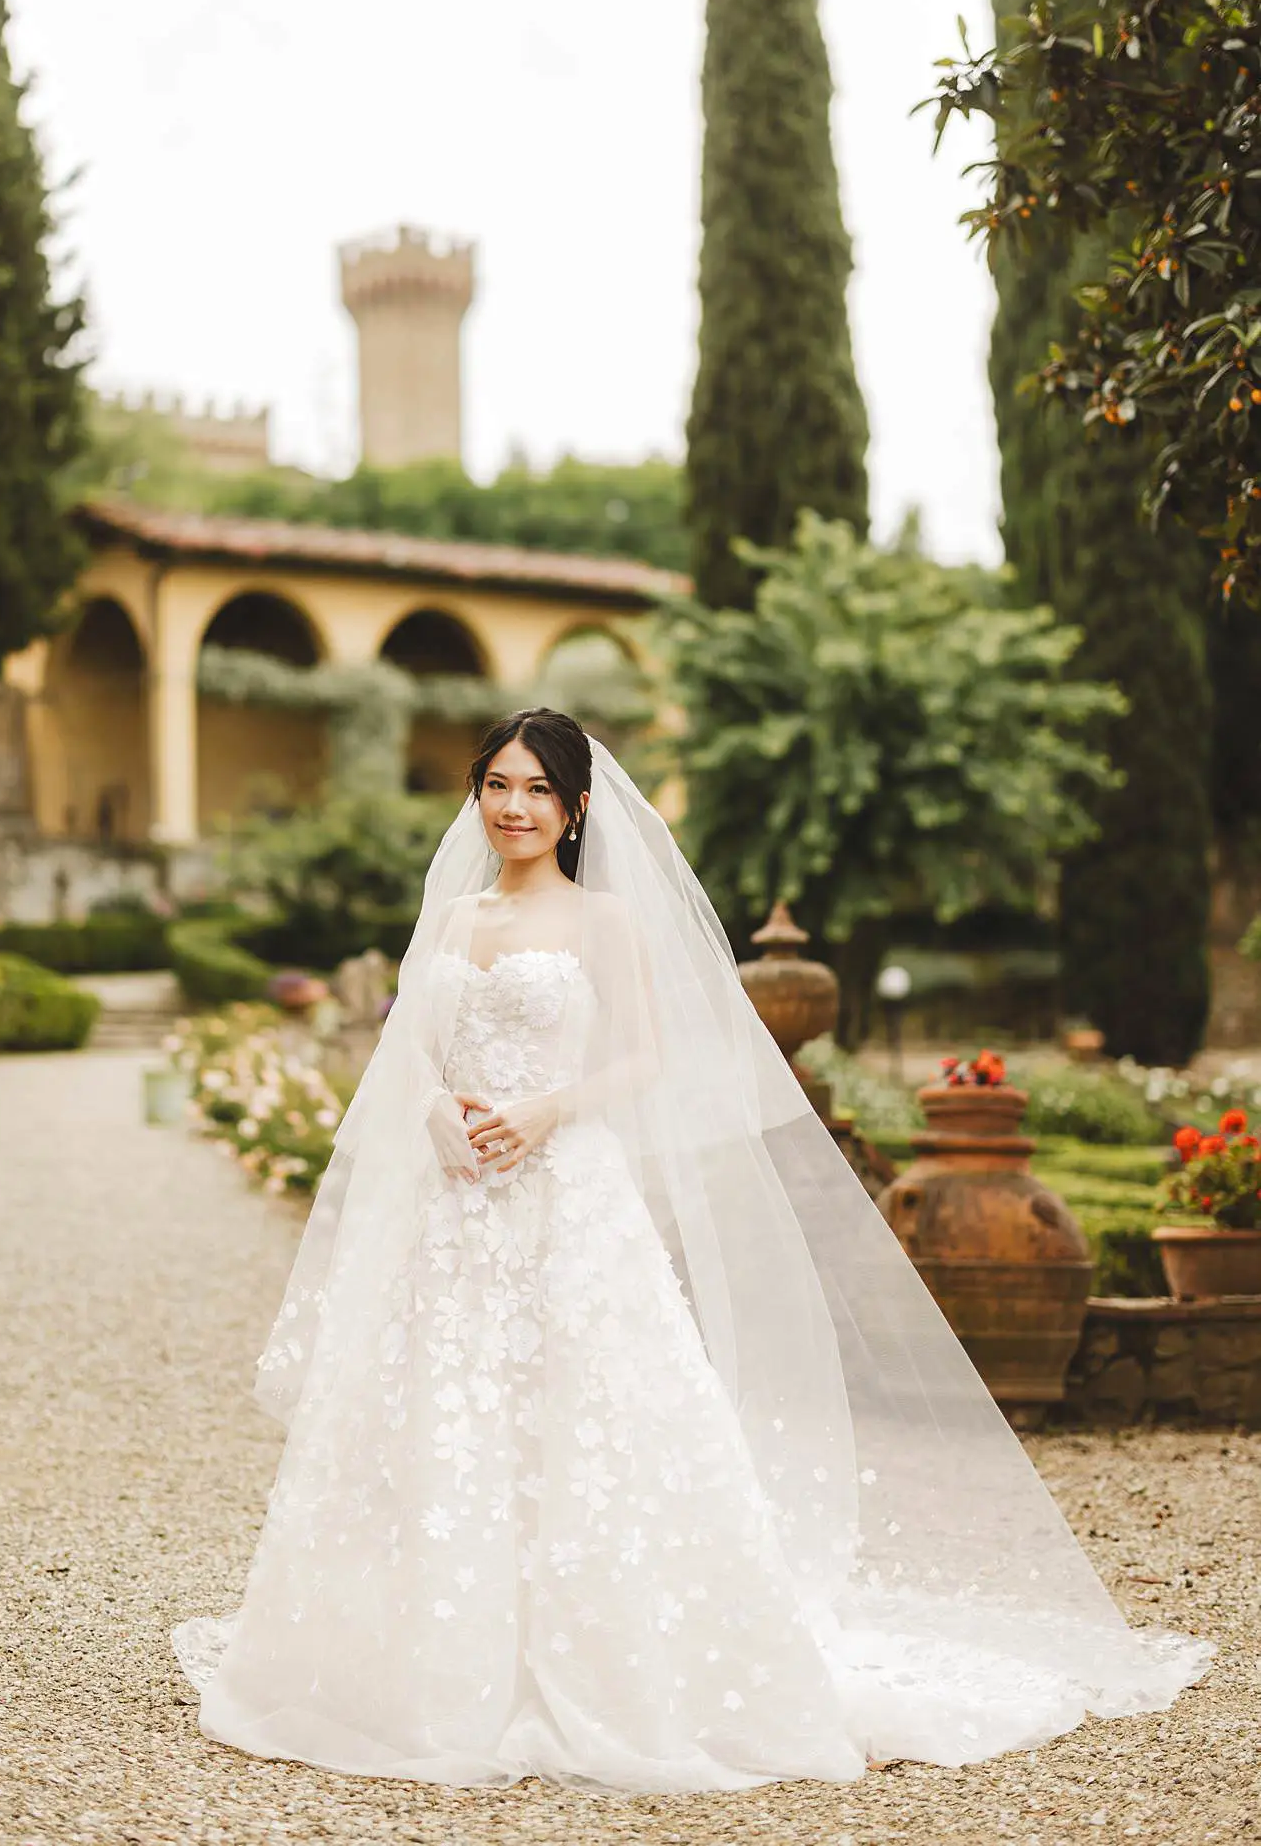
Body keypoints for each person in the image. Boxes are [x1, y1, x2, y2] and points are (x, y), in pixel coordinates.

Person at [173, 709, 1209, 1792]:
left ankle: (609, 1656)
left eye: (535, 788)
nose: (513, 805)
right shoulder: (450, 916)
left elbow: (643, 1057)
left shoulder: (604, 919)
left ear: (575, 809)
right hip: (454, 1207)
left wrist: (544, 1112)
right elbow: (410, 1049)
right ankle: (431, 1650)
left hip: (563, 1195)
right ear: (475, 794)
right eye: (496, 783)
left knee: (587, 1413)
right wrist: (434, 1108)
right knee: (447, 1410)